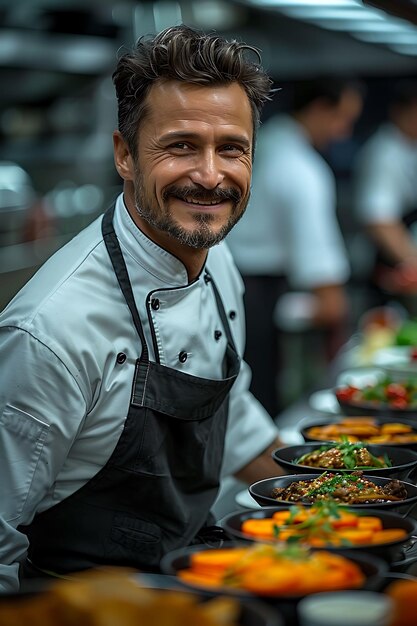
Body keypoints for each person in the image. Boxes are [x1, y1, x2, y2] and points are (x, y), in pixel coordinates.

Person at [0, 24, 284, 592]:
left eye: (232, 148)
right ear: (125, 154)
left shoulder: (217, 261)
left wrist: (337, 494)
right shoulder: (48, 334)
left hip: (196, 580)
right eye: (180, 146)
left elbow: (235, 418)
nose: (210, 175)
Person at [226, 77, 363, 416]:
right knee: (258, 401)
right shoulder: (301, 168)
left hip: (234, 281)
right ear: (319, 109)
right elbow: (325, 280)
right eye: (342, 119)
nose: (343, 132)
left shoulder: (268, 142)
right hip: (257, 294)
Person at [354, 80, 417, 301]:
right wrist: (412, 263)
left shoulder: (410, 146)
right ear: (399, 111)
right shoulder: (384, 154)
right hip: (388, 266)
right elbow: (379, 221)